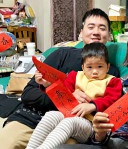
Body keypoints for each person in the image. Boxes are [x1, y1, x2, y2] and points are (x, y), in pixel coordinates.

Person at [0, 8, 120, 148]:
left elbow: (109, 104)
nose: (96, 32)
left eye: (102, 28)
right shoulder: (62, 54)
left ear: (109, 35)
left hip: (71, 127)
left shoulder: (111, 72)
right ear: (81, 33)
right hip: (31, 118)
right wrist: (66, 97)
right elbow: (28, 94)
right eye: (91, 27)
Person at [26, 42, 122, 149]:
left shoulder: (113, 81)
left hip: (91, 125)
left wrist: (93, 106)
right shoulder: (74, 76)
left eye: (100, 66)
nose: (94, 72)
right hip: (68, 114)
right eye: (89, 67)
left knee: (69, 122)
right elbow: (61, 94)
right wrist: (46, 84)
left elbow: (113, 100)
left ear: (107, 67)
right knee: (50, 115)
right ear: (83, 67)